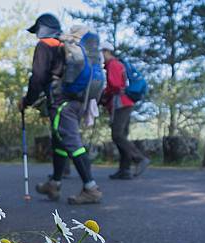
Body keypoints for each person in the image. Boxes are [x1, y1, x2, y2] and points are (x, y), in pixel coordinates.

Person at [19, 13, 102, 204]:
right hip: (79, 100)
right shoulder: (64, 46)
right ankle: (54, 184)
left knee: (71, 141)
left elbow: (38, 77)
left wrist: (27, 101)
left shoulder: (46, 45)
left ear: (41, 28)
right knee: (60, 142)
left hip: (62, 102)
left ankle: (91, 188)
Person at [100, 42, 149, 180]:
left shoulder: (113, 64)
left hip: (121, 103)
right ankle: (125, 170)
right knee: (122, 135)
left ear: (106, 52)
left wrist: (104, 93)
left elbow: (115, 85)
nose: (101, 56)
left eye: (102, 53)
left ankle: (139, 159)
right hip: (126, 102)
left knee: (117, 135)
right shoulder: (117, 64)